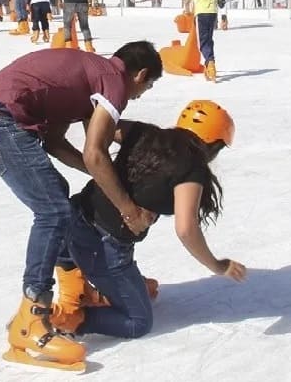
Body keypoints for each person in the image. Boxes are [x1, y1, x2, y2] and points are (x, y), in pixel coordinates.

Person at [0, 41, 163, 370]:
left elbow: (57, 143)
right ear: (140, 74)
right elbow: (95, 154)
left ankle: (74, 289)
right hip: (0, 119)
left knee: (58, 198)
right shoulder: (113, 82)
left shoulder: (88, 76)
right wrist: (128, 208)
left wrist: (107, 177)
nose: (141, 94)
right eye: (148, 86)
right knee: (53, 211)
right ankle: (32, 317)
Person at [49, 101, 245, 341]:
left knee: (144, 290)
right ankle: (64, 317)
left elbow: (98, 125)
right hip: (100, 248)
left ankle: (93, 289)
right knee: (138, 322)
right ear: (213, 145)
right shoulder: (191, 171)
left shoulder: (145, 133)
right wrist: (217, 265)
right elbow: (186, 229)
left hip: (71, 220)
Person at [184, 0, 219, 82]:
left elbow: (187, 1)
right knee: (209, 39)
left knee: (202, 43)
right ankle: (208, 64)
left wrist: (187, 11)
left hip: (201, 15)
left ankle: (210, 64)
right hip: (213, 14)